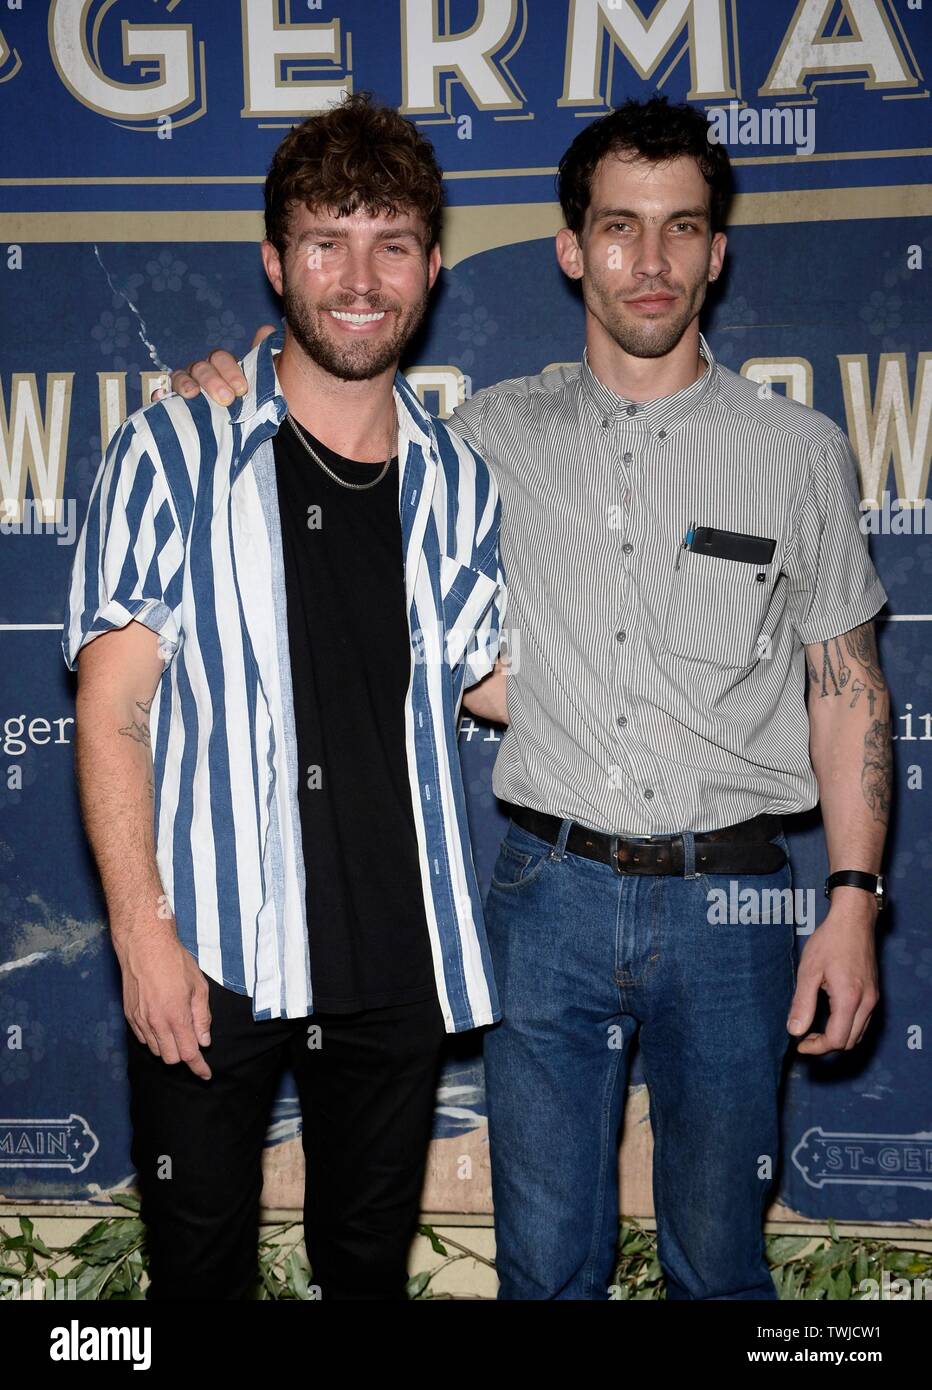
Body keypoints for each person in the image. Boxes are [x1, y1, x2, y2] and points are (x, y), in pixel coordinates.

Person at [167, 96, 890, 1301]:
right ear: (570, 249)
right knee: (545, 1272)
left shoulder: (797, 451)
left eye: (679, 229)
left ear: (719, 248)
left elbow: (846, 685)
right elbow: (325, 396)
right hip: (542, 899)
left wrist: (855, 898)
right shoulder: (479, 440)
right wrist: (227, 381)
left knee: (719, 1265)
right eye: (616, 228)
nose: (647, 262)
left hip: (734, 912)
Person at [63, 92, 506, 1301]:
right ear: (275, 261)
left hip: (395, 964)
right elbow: (111, 712)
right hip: (210, 955)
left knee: (363, 1273)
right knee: (195, 1275)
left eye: (391, 243)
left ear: (430, 266)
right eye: (326, 242)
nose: (359, 278)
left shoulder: (457, 475)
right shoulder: (171, 449)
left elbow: (497, 680)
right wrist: (144, 938)